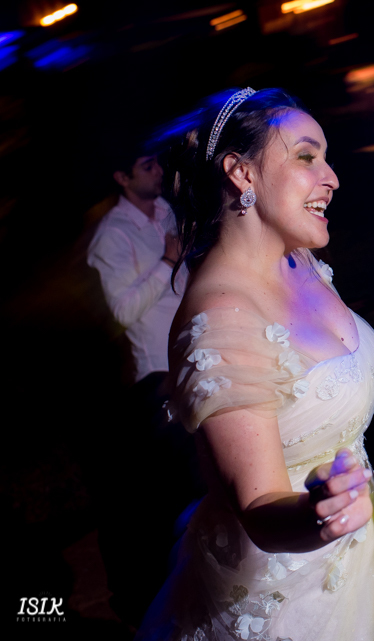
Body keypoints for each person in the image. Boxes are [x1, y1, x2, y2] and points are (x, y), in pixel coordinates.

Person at [136, 88, 374, 640]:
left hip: (366, 552)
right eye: (306, 156)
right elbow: (260, 506)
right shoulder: (221, 318)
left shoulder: (302, 262)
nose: (332, 177)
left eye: (326, 159)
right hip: (292, 598)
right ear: (241, 173)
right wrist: (320, 514)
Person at [86, 142, 197, 623]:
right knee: (180, 489)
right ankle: (173, 597)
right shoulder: (111, 236)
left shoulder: (168, 211)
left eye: (156, 163)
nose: (156, 171)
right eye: (145, 166)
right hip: (157, 376)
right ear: (122, 178)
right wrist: (167, 262)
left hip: (194, 356)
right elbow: (122, 311)